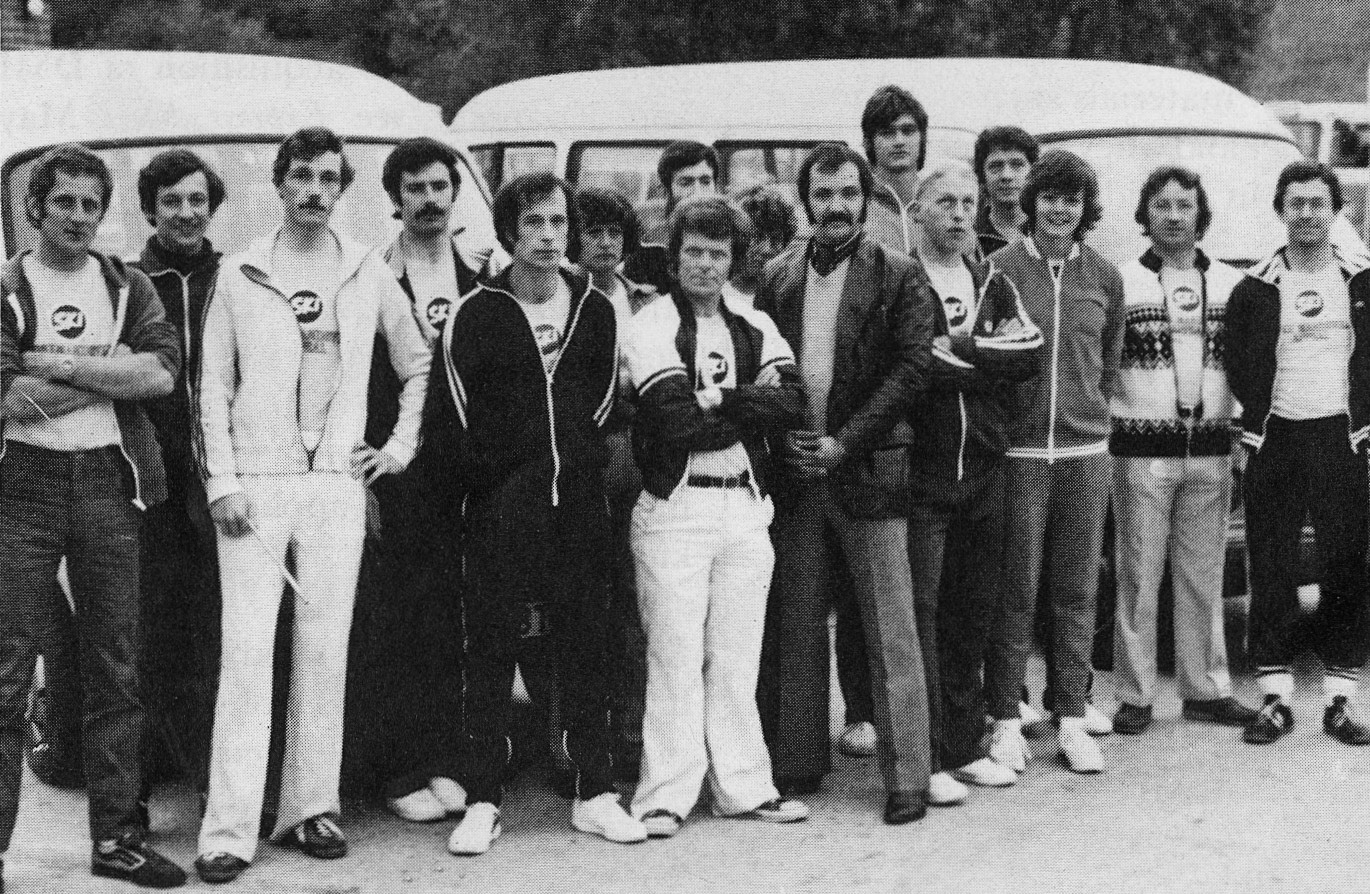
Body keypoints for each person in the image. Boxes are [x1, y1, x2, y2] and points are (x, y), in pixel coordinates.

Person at [194, 127, 431, 883]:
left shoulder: (365, 269)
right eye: (302, 176)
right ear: (280, 182)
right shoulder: (240, 270)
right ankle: (229, 828)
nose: (315, 191)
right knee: (247, 654)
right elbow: (211, 389)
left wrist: (392, 451)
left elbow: (419, 361)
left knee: (325, 651)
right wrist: (222, 483)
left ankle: (310, 808)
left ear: (343, 187)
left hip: (336, 483)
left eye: (329, 178)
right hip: (257, 484)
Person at [422, 172, 646, 855]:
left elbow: (604, 407)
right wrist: (503, 485)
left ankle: (595, 793)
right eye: (534, 224)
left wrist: (568, 466)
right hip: (501, 513)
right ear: (509, 233)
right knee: (490, 650)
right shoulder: (474, 313)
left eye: (557, 223)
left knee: (587, 645)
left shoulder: (596, 311)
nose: (549, 237)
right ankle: (484, 799)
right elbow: (452, 421)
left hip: (578, 507)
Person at [0, 144, 186, 888]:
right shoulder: (10, 286)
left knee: (116, 665)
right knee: (9, 672)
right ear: (35, 208)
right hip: (25, 485)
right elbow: (9, 400)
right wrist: (112, 371)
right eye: (64, 203)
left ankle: (116, 840)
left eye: (90, 205)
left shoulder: (125, 283)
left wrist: (61, 365)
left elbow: (162, 373)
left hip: (112, 480)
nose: (78, 217)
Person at [755, 143, 936, 824]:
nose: (835, 207)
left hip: (870, 469)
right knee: (798, 621)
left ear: (866, 199)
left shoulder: (897, 274)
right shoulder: (778, 275)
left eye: (848, 194)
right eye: (823, 195)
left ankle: (907, 777)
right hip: (800, 474)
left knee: (892, 628)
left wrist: (844, 441)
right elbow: (764, 367)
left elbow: (915, 369)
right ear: (807, 201)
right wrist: (788, 438)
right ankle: (797, 762)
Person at [625, 194, 809, 836]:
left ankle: (743, 786)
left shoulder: (752, 320)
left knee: (735, 655)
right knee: (675, 652)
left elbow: (793, 402)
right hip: (676, 508)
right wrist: (744, 403)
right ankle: (665, 794)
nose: (706, 264)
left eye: (719, 253)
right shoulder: (649, 324)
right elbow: (675, 424)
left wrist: (719, 396)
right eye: (694, 252)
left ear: (735, 259)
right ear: (674, 257)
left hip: (743, 505)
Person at [353, 136, 486, 824]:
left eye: (439, 186)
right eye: (415, 189)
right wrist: (370, 476)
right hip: (400, 475)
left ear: (455, 191)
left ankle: (451, 759)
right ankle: (401, 769)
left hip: (468, 476)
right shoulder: (371, 274)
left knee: (462, 619)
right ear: (395, 198)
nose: (429, 199)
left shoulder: (483, 275)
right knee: (402, 624)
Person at [983, 150, 1124, 776]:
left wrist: (1087, 413)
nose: (1060, 209)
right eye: (1050, 197)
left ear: (1085, 207)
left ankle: (1070, 715)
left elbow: (1108, 359)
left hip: (1085, 450)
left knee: (1076, 588)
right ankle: (1006, 720)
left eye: (1073, 199)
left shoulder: (1105, 275)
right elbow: (986, 355)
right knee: (1013, 586)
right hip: (1018, 452)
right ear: (1032, 202)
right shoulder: (1001, 270)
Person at [905, 162, 1041, 799]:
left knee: (971, 612)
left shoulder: (994, 280)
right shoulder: (901, 278)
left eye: (968, 203)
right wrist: (981, 359)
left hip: (986, 468)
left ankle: (962, 744)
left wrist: (962, 349)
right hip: (924, 473)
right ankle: (925, 756)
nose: (960, 214)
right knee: (924, 616)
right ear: (920, 211)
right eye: (946, 202)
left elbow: (1028, 355)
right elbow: (914, 364)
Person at [1109, 167, 1258, 735]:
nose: (1174, 215)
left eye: (1185, 205)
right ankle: (1135, 694)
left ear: (1201, 213)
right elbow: (1104, 365)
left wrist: (1241, 437)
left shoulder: (1231, 283)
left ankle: (1206, 690)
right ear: (1145, 215)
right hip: (1142, 449)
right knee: (1138, 574)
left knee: (1203, 574)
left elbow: (1245, 367)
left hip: (1213, 448)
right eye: (1162, 205)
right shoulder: (1121, 280)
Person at [1226, 161, 1370, 746]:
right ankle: (1275, 696)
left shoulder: (1362, 279)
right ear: (1280, 209)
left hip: (1343, 437)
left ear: (1336, 211)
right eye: (1296, 202)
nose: (1307, 213)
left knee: (1345, 565)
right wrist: (1248, 432)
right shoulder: (1257, 285)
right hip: (1276, 437)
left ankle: (1340, 697)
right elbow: (1238, 363)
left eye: (1318, 203)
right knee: (1274, 565)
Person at [572, 186, 656, 774]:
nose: (603, 244)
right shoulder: (561, 297)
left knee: (634, 598)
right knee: (581, 597)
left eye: (614, 234)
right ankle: (572, 741)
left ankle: (630, 735)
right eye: (592, 232)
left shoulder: (648, 302)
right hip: (581, 454)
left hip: (637, 451)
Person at [626, 141, 721, 293]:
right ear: (666, 189)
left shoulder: (729, 237)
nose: (698, 192)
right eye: (686, 182)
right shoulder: (650, 247)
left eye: (705, 181)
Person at [863, 84, 929, 256]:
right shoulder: (858, 206)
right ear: (869, 142)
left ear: (922, 139)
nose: (899, 141)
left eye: (908, 131)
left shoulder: (937, 205)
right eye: (887, 132)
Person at [972, 126, 1039, 258]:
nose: (1006, 176)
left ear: (1034, 172)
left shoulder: (1051, 231)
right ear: (982, 177)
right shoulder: (970, 235)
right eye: (995, 166)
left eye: (1017, 165)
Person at [732, 184, 799, 304]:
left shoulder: (790, 298)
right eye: (757, 237)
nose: (766, 249)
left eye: (776, 239)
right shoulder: (718, 294)